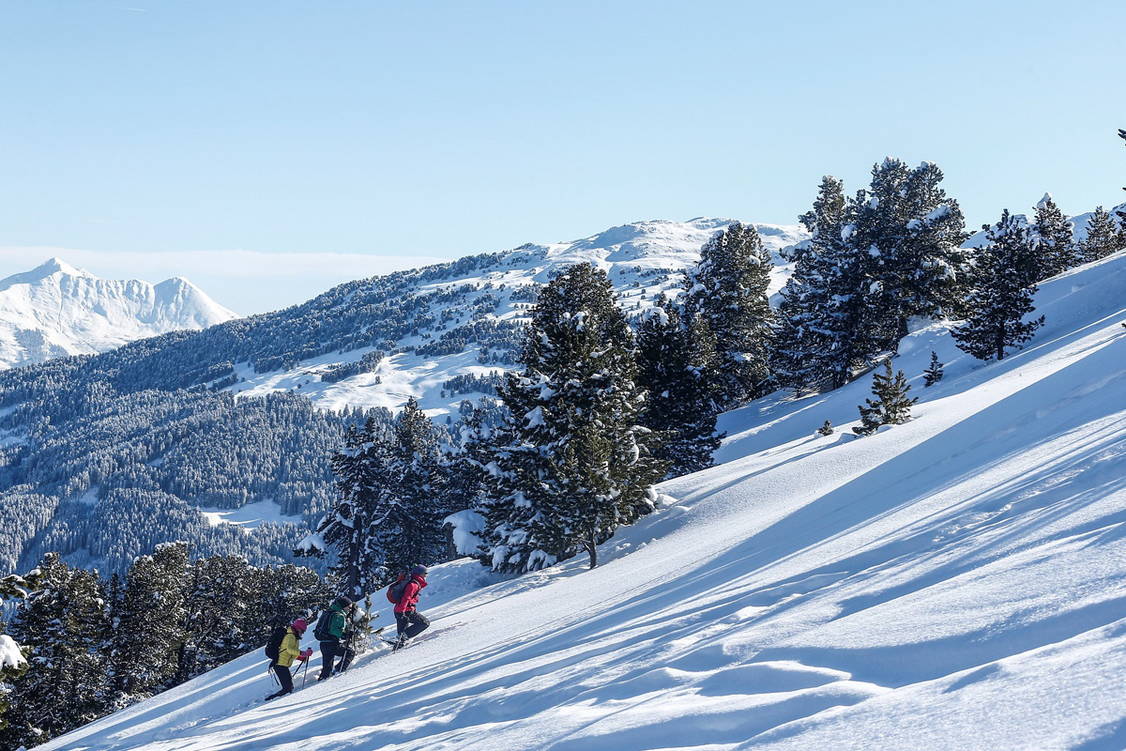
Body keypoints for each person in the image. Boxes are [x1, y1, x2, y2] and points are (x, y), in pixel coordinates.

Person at [266, 618, 313, 701]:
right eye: (302, 631)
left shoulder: (295, 637)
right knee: (287, 689)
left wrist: (300, 657)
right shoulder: (290, 636)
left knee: (288, 688)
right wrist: (303, 653)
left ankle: (273, 699)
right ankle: (271, 700)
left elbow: (290, 653)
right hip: (280, 665)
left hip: (282, 665)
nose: (302, 633)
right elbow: (289, 649)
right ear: (298, 628)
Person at [315, 596, 357, 680]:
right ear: (343, 606)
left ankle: (323, 679)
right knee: (350, 653)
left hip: (323, 643)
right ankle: (339, 671)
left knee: (327, 666)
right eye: (348, 606)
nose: (349, 609)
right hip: (332, 643)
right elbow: (335, 631)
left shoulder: (329, 612)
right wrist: (346, 635)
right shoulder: (338, 615)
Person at [393, 564, 430, 649]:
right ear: (420, 573)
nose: (426, 575)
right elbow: (406, 598)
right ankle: (402, 638)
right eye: (425, 573)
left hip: (399, 610)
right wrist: (402, 612)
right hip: (406, 611)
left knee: (401, 637)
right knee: (424, 623)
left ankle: (396, 650)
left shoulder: (412, 582)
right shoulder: (413, 584)